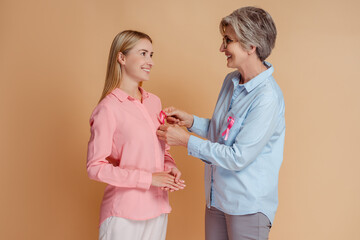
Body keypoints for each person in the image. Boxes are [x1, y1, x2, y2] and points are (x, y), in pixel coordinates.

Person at [157, 7, 285, 240]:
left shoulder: (267, 97)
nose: (221, 48)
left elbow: (237, 156)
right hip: (217, 200)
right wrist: (192, 122)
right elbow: (226, 135)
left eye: (228, 40)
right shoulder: (231, 81)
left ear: (250, 45)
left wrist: (186, 141)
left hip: (247, 206)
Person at [87, 30, 185, 240]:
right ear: (122, 58)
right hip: (124, 215)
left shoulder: (154, 102)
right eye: (143, 53)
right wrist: (149, 179)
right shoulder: (108, 108)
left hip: (158, 210)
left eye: (151, 55)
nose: (150, 61)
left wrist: (170, 168)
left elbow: (162, 150)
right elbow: (95, 167)